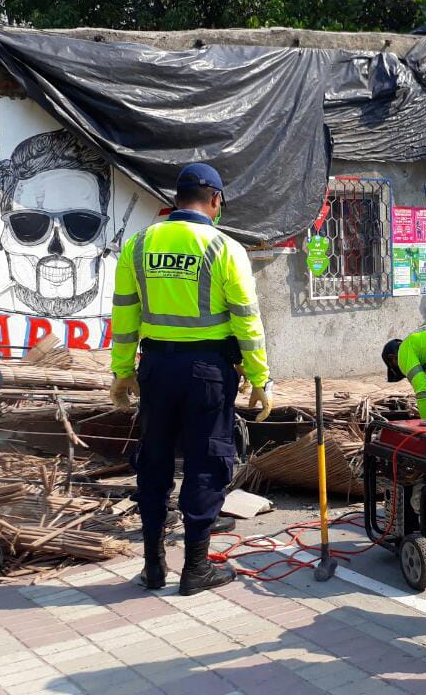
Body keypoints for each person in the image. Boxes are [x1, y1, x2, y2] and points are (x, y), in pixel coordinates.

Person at [109, 162, 273, 596]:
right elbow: (247, 321)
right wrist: (259, 377)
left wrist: (122, 370)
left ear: (176, 197)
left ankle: (153, 567)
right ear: (216, 200)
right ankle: (196, 570)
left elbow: (124, 314)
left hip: (156, 369)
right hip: (208, 373)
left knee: (155, 462)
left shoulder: (139, 243)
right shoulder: (224, 247)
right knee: (205, 462)